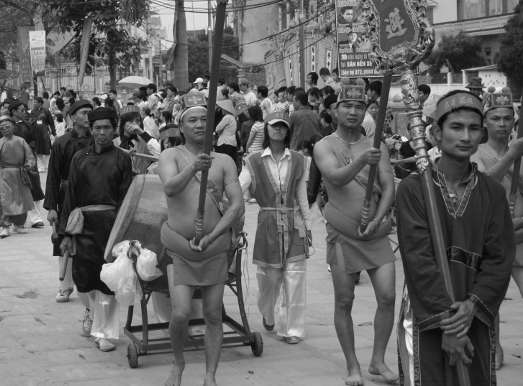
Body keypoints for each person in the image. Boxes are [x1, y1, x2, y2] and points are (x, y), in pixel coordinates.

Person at [396, 90, 514, 386]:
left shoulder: (492, 192)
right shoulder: (414, 189)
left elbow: (499, 259)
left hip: (473, 307)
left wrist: (471, 307)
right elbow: (418, 258)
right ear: (436, 133)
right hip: (428, 308)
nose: (466, 137)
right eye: (456, 127)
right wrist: (447, 323)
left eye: (474, 129)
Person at [313, 80, 398, 386]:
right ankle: (353, 366)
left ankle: (378, 360)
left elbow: (388, 186)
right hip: (343, 236)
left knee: (388, 297)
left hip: (375, 234)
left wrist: (378, 218)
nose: (352, 111)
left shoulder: (378, 144)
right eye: (346, 106)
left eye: (358, 106)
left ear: (365, 111)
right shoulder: (324, 145)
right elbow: (334, 178)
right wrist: (363, 159)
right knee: (344, 301)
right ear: (335, 110)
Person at [158, 91, 243, 386]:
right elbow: (170, 188)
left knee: (212, 314)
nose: (197, 125)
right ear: (181, 126)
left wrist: (214, 236)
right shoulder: (170, 155)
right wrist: (194, 167)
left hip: (214, 247)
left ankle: (210, 375)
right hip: (180, 247)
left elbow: (236, 204)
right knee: (180, 313)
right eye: (191, 120)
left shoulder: (224, 161)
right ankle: (178, 363)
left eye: (203, 120)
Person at [56, 107, 133, 353]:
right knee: (84, 280)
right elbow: (70, 197)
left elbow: (126, 198)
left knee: (107, 280)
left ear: (114, 129)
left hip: (111, 225)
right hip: (83, 225)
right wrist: (65, 233)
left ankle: (106, 333)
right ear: (91, 129)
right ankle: (90, 312)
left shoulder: (123, 158)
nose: (102, 132)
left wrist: (124, 231)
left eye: (107, 128)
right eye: (97, 128)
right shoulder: (79, 158)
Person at [239, 111, 312, 344]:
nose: (278, 130)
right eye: (274, 126)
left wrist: (308, 225)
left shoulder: (300, 160)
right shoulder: (253, 160)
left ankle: (292, 329)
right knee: (268, 278)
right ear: (267, 129)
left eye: (282, 126)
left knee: (295, 276)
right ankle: (268, 312)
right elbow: (241, 187)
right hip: (268, 223)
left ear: (287, 130)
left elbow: (302, 195)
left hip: (294, 222)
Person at [468, 87, 523, 369]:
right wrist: (511, 157)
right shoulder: (476, 152)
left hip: (520, 235)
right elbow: (484, 183)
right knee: (491, 300)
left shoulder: (520, 148)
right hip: (490, 238)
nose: (502, 124)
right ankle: (494, 345)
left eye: (507, 118)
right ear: (485, 122)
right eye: (496, 118)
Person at [45, 99, 93, 303]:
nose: (87, 116)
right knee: (65, 240)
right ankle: (65, 285)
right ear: (72, 117)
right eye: (83, 112)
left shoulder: (98, 141)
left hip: (92, 197)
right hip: (66, 197)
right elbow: (53, 176)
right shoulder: (61, 142)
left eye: (90, 112)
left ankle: (90, 283)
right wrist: (52, 207)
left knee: (90, 241)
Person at [0, 115, 35, 238]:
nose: (5, 129)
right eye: (2, 128)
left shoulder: (21, 141)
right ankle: (5, 226)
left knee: (21, 199)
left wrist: (28, 165)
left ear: (13, 127)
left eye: (7, 126)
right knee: (5, 200)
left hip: (20, 172)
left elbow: (30, 156)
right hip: (4, 173)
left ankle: (19, 225)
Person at [116, 108, 161, 174]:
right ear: (123, 124)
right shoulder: (114, 142)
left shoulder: (145, 140)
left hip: (141, 181)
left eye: (137, 121)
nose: (135, 125)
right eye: (131, 121)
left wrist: (142, 133)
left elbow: (160, 154)